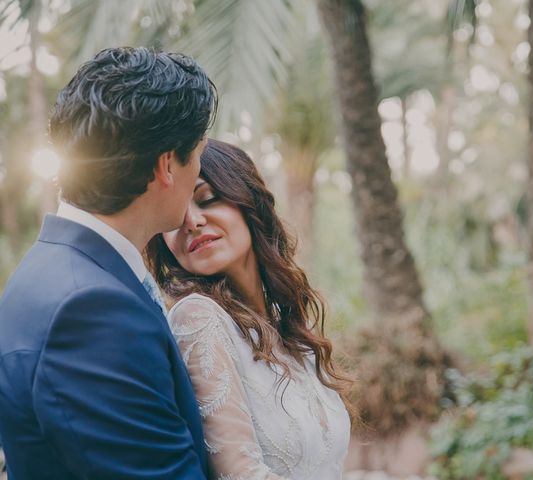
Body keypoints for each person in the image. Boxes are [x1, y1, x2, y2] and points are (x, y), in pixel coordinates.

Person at [0, 47, 217, 479]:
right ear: (166, 165)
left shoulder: (56, 270)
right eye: (197, 154)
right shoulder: (91, 310)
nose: (199, 171)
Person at [146, 139, 352, 479]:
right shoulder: (197, 317)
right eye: (172, 216)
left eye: (207, 198)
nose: (192, 222)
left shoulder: (289, 326)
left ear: (248, 200)